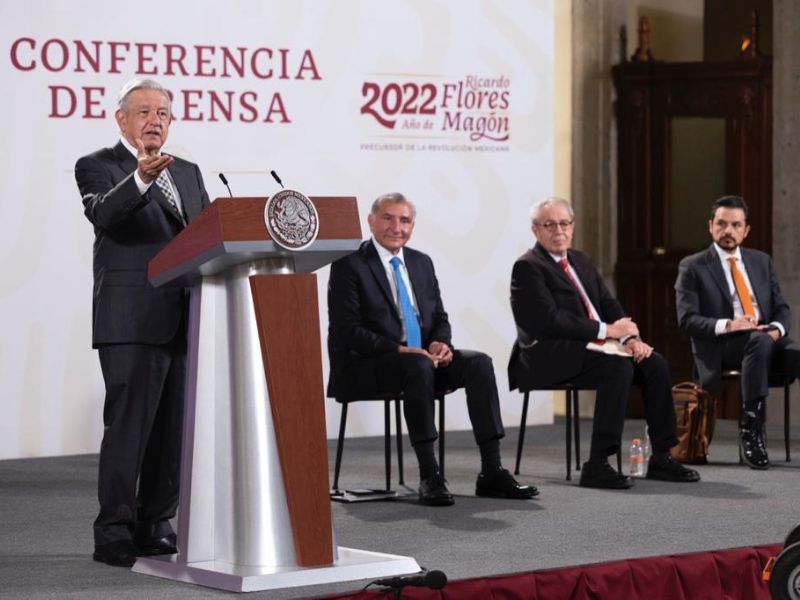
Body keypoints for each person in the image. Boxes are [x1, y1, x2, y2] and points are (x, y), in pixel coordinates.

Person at [327, 192, 537, 506]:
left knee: (478, 363)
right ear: (371, 221)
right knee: (418, 365)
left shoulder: (420, 262)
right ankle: (430, 474)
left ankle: (492, 470)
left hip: (422, 361)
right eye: (388, 218)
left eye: (405, 220)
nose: (396, 227)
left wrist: (441, 343)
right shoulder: (350, 264)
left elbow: (439, 316)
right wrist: (399, 351)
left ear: (412, 225)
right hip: (368, 365)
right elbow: (347, 330)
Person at [76, 78, 210, 566]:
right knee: (128, 430)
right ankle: (113, 529)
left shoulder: (189, 172)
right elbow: (104, 215)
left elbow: (207, 234)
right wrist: (140, 180)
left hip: (185, 318)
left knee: (173, 432)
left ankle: (156, 522)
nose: (155, 120)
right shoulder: (98, 165)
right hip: (131, 320)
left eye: (163, 113)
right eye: (145, 112)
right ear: (122, 119)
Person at [509, 197, 700, 489]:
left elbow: (609, 305)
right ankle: (597, 463)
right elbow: (549, 321)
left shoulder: (580, 261)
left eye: (564, 224)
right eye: (550, 225)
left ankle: (662, 456)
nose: (559, 231)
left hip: (593, 347)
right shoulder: (528, 267)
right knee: (617, 368)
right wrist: (608, 330)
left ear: (572, 227)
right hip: (548, 354)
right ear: (535, 230)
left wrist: (630, 338)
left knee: (654, 364)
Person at [675, 195, 800, 470]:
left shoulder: (761, 261)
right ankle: (750, 429)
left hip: (765, 338)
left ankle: (750, 421)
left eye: (735, 225)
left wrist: (777, 331)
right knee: (758, 342)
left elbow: (781, 308)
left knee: (794, 353)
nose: (728, 230)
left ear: (746, 230)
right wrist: (730, 325)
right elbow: (687, 320)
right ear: (710, 226)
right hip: (723, 345)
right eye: (721, 224)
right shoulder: (693, 266)